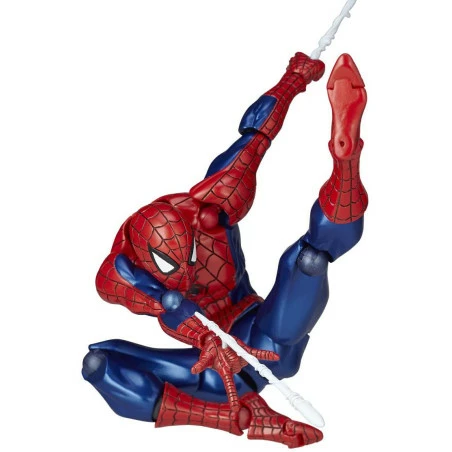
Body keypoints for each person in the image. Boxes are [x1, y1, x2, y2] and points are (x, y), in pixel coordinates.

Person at [83, 52, 367, 449]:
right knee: (99, 364)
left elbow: (255, 139)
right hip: (209, 366)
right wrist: (203, 334)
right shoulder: (118, 273)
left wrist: (294, 78)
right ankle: (238, 418)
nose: (188, 274)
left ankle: (345, 164)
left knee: (308, 260)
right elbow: (165, 302)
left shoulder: (213, 206)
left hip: (263, 335)